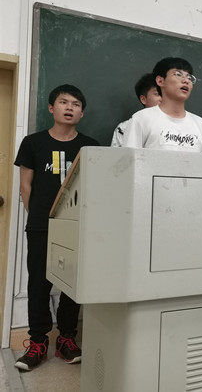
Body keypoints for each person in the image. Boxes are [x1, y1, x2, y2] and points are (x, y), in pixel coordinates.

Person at [13, 84, 99, 370]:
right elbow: (26, 186)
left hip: (77, 226)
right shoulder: (33, 143)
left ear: (82, 113)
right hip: (41, 224)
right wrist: (40, 216)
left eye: (76, 104)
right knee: (39, 283)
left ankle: (66, 339)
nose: (70, 107)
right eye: (64, 102)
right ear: (52, 108)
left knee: (73, 284)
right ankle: (38, 342)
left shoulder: (90, 146)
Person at [122, 57, 202, 152]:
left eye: (189, 77)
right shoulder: (141, 119)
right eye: (178, 74)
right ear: (160, 81)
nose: (186, 80)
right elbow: (128, 158)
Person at [111, 73, 162, 147]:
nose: (163, 99)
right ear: (143, 99)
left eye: (166, 94)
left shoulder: (176, 125)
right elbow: (118, 154)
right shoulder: (124, 128)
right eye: (158, 94)